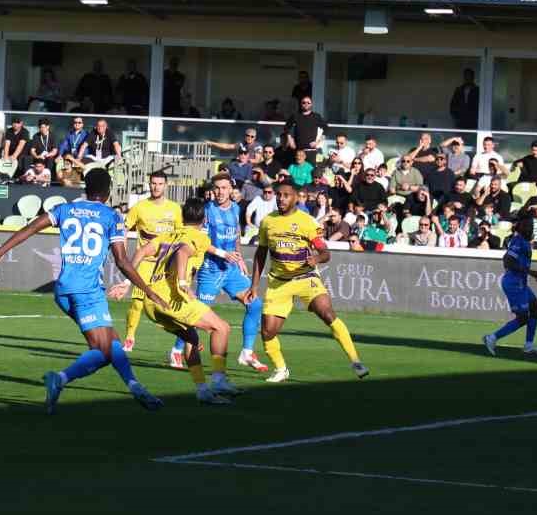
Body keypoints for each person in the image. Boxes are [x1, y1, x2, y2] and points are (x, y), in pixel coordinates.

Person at [0, 170, 165, 414]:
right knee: (103, 351)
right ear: (107, 192)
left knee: (112, 342)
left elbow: (31, 228)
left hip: (63, 289)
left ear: (86, 187)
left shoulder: (65, 209)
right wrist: (148, 290)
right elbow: (122, 261)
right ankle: (60, 379)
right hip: (87, 290)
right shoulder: (111, 216)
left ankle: (136, 387)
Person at [117, 197, 241, 404]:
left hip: (152, 301)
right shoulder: (199, 237)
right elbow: (183, 252)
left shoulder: (167, 234)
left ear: (182, 216)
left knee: (191, 338)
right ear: (204, 219)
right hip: (173, 297)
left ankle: (202, 390)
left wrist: (126, 281)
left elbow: (141, 251)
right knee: (222, 328)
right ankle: (218, 379)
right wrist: (183, 282)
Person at [250, 179, 369, 383]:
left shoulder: (307, 222)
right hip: (279, 282)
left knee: (327, 313)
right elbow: (260, 254)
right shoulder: (267, 221)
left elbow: (325, 252)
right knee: (268, 331)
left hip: (306, 277)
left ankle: (355, 360)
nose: (281, 198)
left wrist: (315, 258)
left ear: (296, 198)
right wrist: (254, 286)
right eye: (279, 194)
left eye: (286, 195)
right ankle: (281, 369)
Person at [168, 173, 270, 373]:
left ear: (231, 189)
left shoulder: (235, 208)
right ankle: (176, 350)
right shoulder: (206, 212)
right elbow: (199, 242)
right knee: (196, 316)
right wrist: (223, 254)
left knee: (255, 303)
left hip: (231, 271)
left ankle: (247, 352)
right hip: (210, 271)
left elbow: (236, 238)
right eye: (216, 188)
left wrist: (239, 259)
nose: (220, 192)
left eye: (224, 188)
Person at [121, 171, 183, 353]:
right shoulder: (140, 207)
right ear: (149, 184)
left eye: (159, 183)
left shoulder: (175, 208)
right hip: (145, 264)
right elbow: (123, 228)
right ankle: (130, 337)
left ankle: (183, 340)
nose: (156, 187)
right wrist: (122, 250)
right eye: (153, 183)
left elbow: (180, 235)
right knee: (137, 302)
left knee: (170, 305)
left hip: (166, 265)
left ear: (166, 186)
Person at [482, 213, 537, 357]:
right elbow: (508, 261)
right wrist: (530, 272)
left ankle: (529, 345)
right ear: (521, 226)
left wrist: (527, 273)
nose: (531, 228)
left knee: (535, 309)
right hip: (513, 283)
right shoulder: (518, 241)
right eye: (528, 225)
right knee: (523, 317)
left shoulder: (523, 241)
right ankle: (491, 338)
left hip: (520, 282)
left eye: (532, 225)